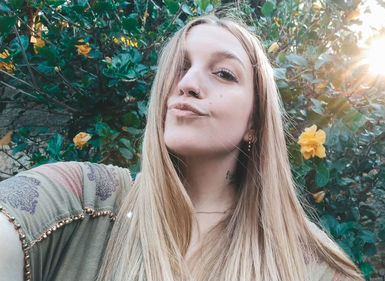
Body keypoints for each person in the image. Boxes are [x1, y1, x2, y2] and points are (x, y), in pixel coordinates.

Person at [0, 15, 364, 281]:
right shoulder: (84, 199)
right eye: (180, 66)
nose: (187, 83)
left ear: (255, 123)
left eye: (224, 73)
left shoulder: (311, 266)